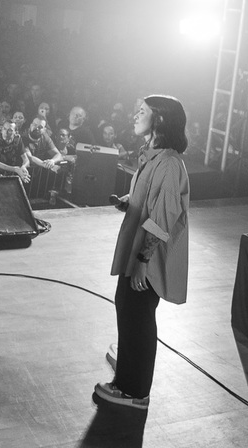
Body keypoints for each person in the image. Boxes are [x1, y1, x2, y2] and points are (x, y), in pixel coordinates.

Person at [95, 95, 190, 411]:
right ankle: (129, 361)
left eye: (142, 111)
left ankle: (133, 390)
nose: (135, 116)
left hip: (147, 257)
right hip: (138, 250)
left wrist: (142, 261)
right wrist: (131, 200)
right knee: (129, 307)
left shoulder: (169, 163)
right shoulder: (153, 156)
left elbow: (164, 217)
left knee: (137, 313)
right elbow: (152, 198)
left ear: (159, 120)